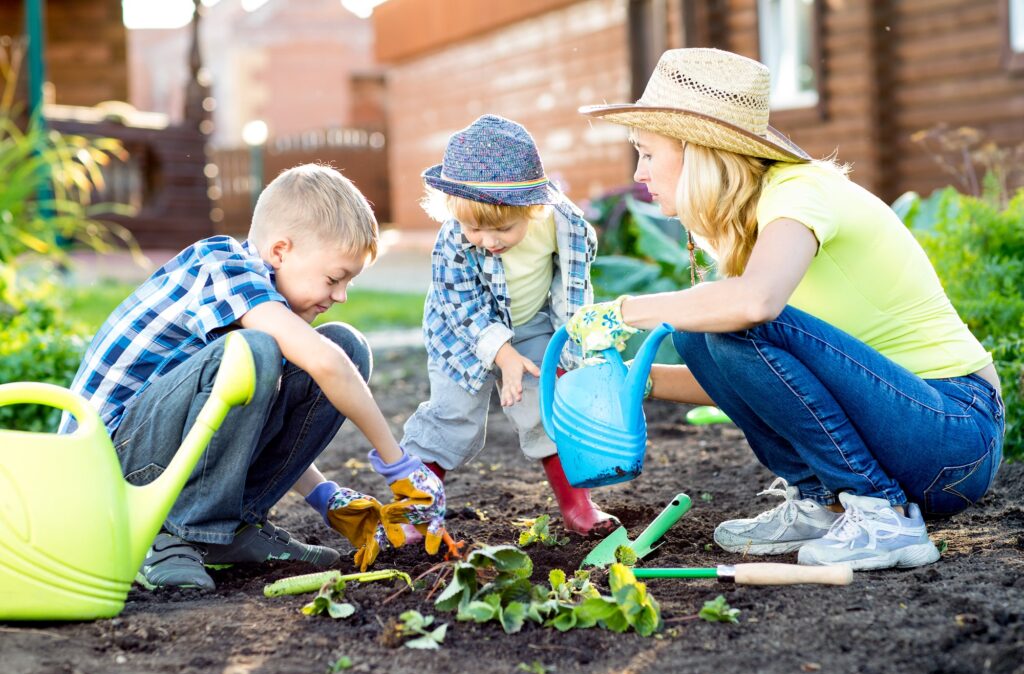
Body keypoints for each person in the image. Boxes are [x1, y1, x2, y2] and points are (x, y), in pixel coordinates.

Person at [570, 48, 1004, 570]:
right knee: (695, 331)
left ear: (699, 150)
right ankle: (820, 503)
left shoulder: (800, 191)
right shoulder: (757, 218)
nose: (639, 172)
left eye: (647, 152)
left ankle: (881, 517)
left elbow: (755, 305)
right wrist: (635, 380)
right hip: (911, 436)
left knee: (733, 319)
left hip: (954, 436)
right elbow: (759, 374)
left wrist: (623, 310)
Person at [60, 164, 445, 590]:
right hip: (105, 469)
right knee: (270, 353)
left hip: (161, 455)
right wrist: (399, 466)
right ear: (280, 251)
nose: (341, 295)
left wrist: (326, 496)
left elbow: (245, 416)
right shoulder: (221, 266)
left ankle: (229, 531)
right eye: (335, 278)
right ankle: (171, 537)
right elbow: (326, 364)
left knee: (344, 344)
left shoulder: (258, 300)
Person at [400, 114, 618, 537]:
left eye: (503, 228)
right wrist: (502, 354)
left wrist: (570, 355)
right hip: (462, 333)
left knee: (546, 408)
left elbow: (572, 292)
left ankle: (579, 505)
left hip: (531, 322)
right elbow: (461, 306)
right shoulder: (453, 240)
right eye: (473, 227)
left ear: (535, 207)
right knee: (454, 416)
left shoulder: (567, 227)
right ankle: (415, 508)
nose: (487, 240)